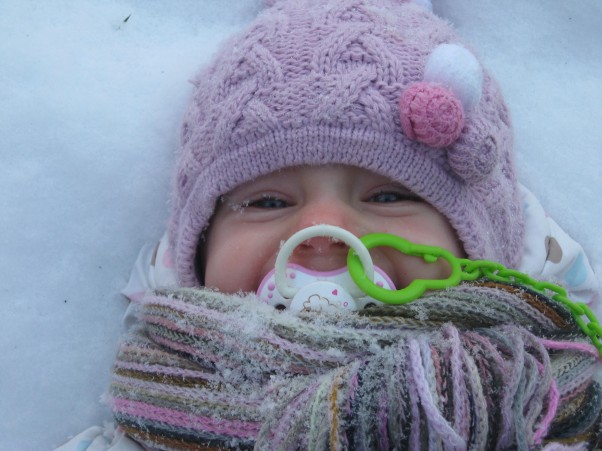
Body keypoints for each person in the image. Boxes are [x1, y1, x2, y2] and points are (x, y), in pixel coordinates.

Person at [58, 0, 601, 449]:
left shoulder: (544, 408)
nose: (324, 235)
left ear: (486, 254)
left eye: (389, 196)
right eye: (267, 201)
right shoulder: (150, 411)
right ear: (196, 256)